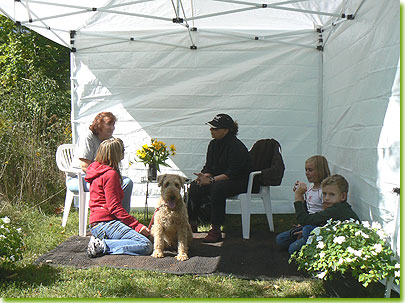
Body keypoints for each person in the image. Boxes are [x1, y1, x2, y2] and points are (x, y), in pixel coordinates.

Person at [187, 113, 251, 243]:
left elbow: (233, 173)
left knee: (218, 188)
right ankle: (191, 224)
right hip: (220, 179)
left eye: (215, 128)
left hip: (239, 181)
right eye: (211, 127)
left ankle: (216, 229)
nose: (211, 130)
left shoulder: (236, 146)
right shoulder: (213, 144)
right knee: (195, 185)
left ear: (226, 130)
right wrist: (203, 176)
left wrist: (211, 180)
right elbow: (209, 167)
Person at [85, 138, 153, 258]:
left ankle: (102, 240)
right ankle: (102, 245)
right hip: (106, 223)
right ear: (116, 154)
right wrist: (137, 225)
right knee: (145, 244)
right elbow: (114, 207)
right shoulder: (110, 174)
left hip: (97, 223)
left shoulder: (97, 170)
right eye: (122, 150)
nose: (124, 153)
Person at [66, 112, 133, 212]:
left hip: (102, 177)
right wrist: (105, 179)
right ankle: (104, 219)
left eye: (113, 125)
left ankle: (122, 217)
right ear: (99, 125)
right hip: (79, 178)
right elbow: (85, 167)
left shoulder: (109, 140)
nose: (112, 128)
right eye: (109, 124)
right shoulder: (88, 137)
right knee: (109, 185)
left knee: (126, 182)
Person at [277, 174, 359, 255]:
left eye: (332, 194)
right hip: (326, 233)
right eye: (324, 194)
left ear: (343, 196)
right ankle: (307, 240)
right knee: (281, 239)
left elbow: (304, 220)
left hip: (340, 242)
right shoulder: (333, 206)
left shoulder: (338, 209)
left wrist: (298, 196)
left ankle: (310, 246)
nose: (326, 198)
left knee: (304, 233)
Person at [276, 155, 330, 254]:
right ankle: (305, 237)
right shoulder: (310, 187)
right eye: (306, 170)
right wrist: (299, 194)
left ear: (320, 171)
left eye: (310, 170)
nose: (307, 173)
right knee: (280, 239)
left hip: (317, 225)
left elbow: (325, 216)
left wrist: (305, 227)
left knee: (292, 249)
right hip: (307, 224)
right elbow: (305, 210)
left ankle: (309, 240)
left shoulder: (324, 192)